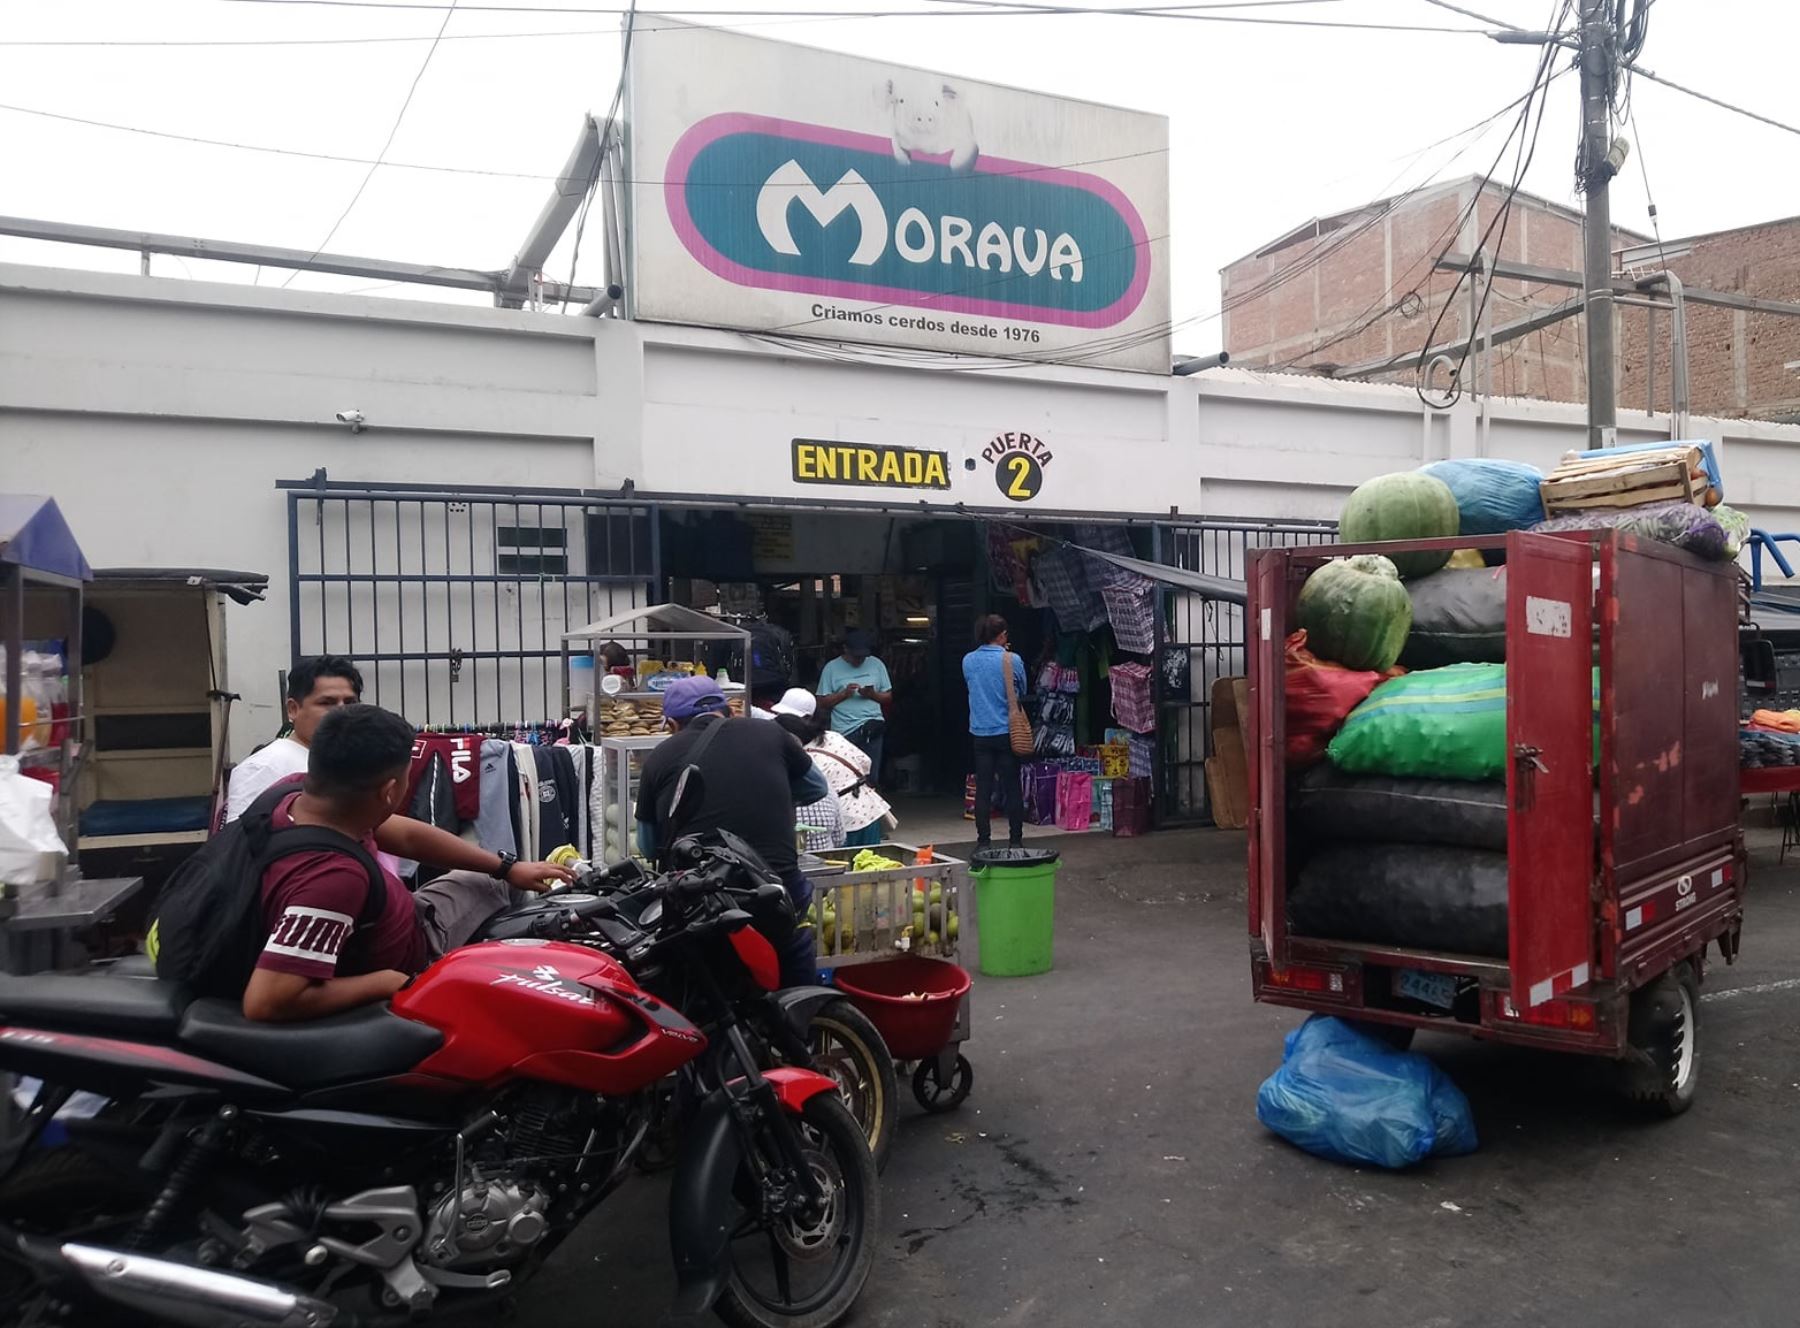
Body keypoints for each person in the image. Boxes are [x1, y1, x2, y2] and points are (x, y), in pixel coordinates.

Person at [243, 704, 573, 1023]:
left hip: (393, 922)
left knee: (497, 879)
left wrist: (507, 867)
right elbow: (268, 1000)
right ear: (390, 791)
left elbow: (406, 837)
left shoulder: (297, 795)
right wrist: (389, 982)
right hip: (417, 949)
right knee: (499, 892)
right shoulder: (332, 879)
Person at [635, 676, 829, 985]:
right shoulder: (771, 732)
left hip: (704, 900)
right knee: (791, 942)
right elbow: (818, 788)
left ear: (671, 723)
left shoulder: (658, 758)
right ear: (729, 711)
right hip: (777, 887)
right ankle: (803, 1017)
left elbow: (647, 846)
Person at [225, 656, 363, 824]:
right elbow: (240, 841)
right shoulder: (264, 766)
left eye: (350, 703)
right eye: (327, 703)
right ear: (293, 709)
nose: (342, 712)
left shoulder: (347, 762)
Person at [775, 688, 891, 850]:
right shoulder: (833, 736)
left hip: (845, 820)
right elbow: (865, 762)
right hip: (868, 813)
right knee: (870, 868)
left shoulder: (800, 757)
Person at [963, 614, 1027, 850]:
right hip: (1006, 731)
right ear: (1002, 635)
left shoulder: (968, 660)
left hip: (980, 732)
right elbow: (1022, 688)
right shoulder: (1012, 659)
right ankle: (1016, 840)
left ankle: (983, 842)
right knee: (1012, 786)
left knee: (984, 788)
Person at [816, 629, 893, 777]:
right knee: (846, 776)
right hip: (844, 731)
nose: (860, 660)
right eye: (856, 656)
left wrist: (872, 694)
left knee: (870, 777)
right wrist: (844, 694)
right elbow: (821, 702)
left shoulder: (877, 664)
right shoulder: (831, 668)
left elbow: (888, 697)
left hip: (872, 727)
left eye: (863, 656)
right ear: (845, 649)